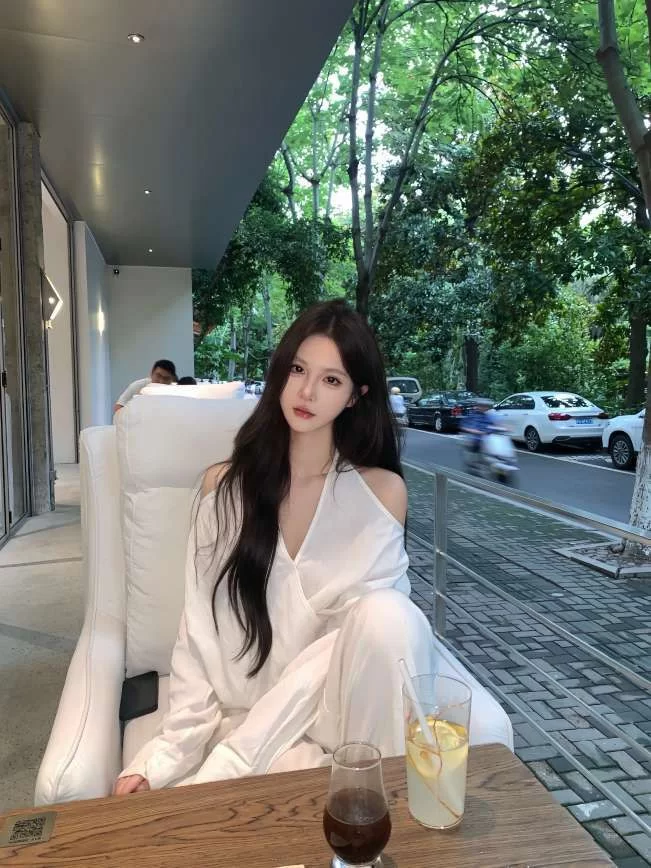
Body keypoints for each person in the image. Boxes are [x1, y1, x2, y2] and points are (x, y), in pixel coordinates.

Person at [114, 299, 436, 795]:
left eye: (331, 379)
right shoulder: (223, 489)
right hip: (249, 708)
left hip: (336, 716)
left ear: (355, 396)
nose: (306, 392)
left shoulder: (380, 494)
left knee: (391, 617)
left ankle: (370, 797)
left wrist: (239, 755)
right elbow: (198, 629)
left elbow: (366, 647)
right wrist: (170, 751)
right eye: (298, 369)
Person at [113, 360, 177, 413]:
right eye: (158, 376)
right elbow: (119, 407)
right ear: (151, 373)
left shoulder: (175, 392)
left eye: (166, 378)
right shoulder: (138, 386)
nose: (161, 381)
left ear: (172, 379)